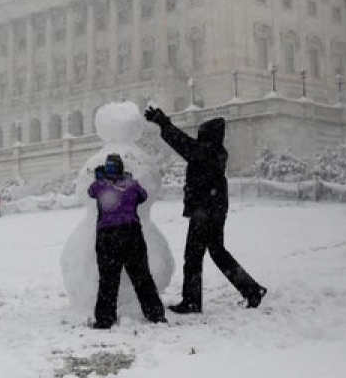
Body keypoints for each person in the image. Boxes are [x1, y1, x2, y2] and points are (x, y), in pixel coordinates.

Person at [144, 104, 267, 313]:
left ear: (208, 136)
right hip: (214, 209)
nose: (199, 137)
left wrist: (164, 124)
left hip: (206, 211)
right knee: (217, 252)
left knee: (193, 256)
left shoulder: (208, 151)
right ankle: (251, 289)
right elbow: (189, 147)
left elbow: (185, 146)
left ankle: (193, 301)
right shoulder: (216, 152)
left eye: (202, 134)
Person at [88, 153, 167, 328]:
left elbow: (91, 192)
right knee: (142, 276)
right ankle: (155, 313)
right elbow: (143, 196)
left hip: (107, 236)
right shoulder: (131, 184)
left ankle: (105, 318)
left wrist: (100, 178)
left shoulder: (100, 185)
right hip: (131, 234)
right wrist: (127, 180)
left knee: (108, 279)